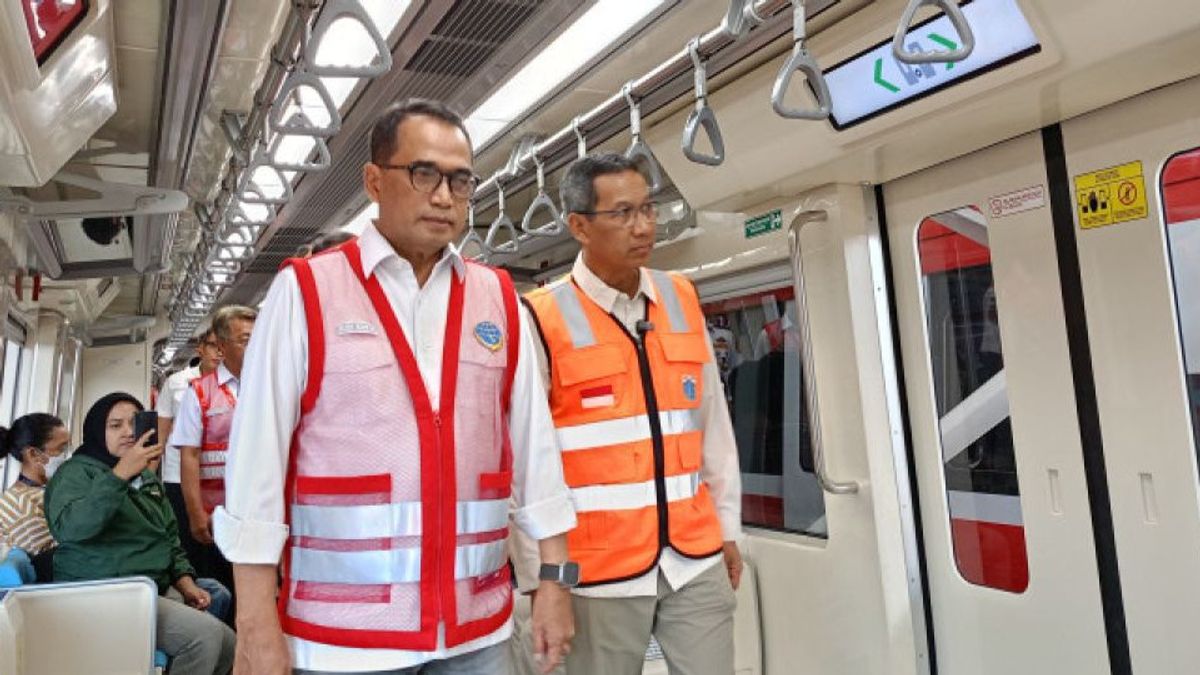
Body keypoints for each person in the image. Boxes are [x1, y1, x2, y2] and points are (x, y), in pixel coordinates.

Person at [216, 98, 578, 675]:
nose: (444, 196)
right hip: (343, 638)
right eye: (424, 172)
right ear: (374, 181)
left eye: (460, 180)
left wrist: (555, 582)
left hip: (475, 631)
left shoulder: (498, 298)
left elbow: (536, 449)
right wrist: (256, 623)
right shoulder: (307, 292)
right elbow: (256, 464)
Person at [521, 153, 744, 675]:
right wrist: (542, 578)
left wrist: (728, 526)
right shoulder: (540, 317)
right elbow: (525, 462)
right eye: (622, 213)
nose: (643, 226)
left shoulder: (681, 296)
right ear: (579, 226)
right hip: (597, 572)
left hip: (694, 558)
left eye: (648, 209)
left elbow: (711, 424)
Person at [45, 393, 236, 675]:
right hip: (105, 591)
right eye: (115, 425)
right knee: (204, 638)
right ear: (98, 430)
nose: (127, 432)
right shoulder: (75, 474)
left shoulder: (144, 475)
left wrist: (184, 581)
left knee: (230, 644)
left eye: (133, 423)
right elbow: (72, 529)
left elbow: (168, 536)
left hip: (149, 585)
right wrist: (118, 476)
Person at [171, 306, 256, 596]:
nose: (255, 346)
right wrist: (195, 513)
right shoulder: (199, 392)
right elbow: (190, 456)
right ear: (221, 346)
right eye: (245, 340)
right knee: (225, 586)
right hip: (217, 512)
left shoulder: (269, 385)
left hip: (261, 509)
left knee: (259, 587)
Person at [159, 327, 223, 576]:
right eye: (212, 346)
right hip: (178, 478)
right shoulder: (177, 383)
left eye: (223, 346)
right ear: (200, 348)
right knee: (189, 544)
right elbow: (160, 435)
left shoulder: (242, 383)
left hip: (219, 479)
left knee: (220, 549)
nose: (218, 353)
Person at [0, 413, 69, 580]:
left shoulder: (49, 488)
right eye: (61, 449)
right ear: (33, 454)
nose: (67, 455)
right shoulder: (19, 503)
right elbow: (53, 558)